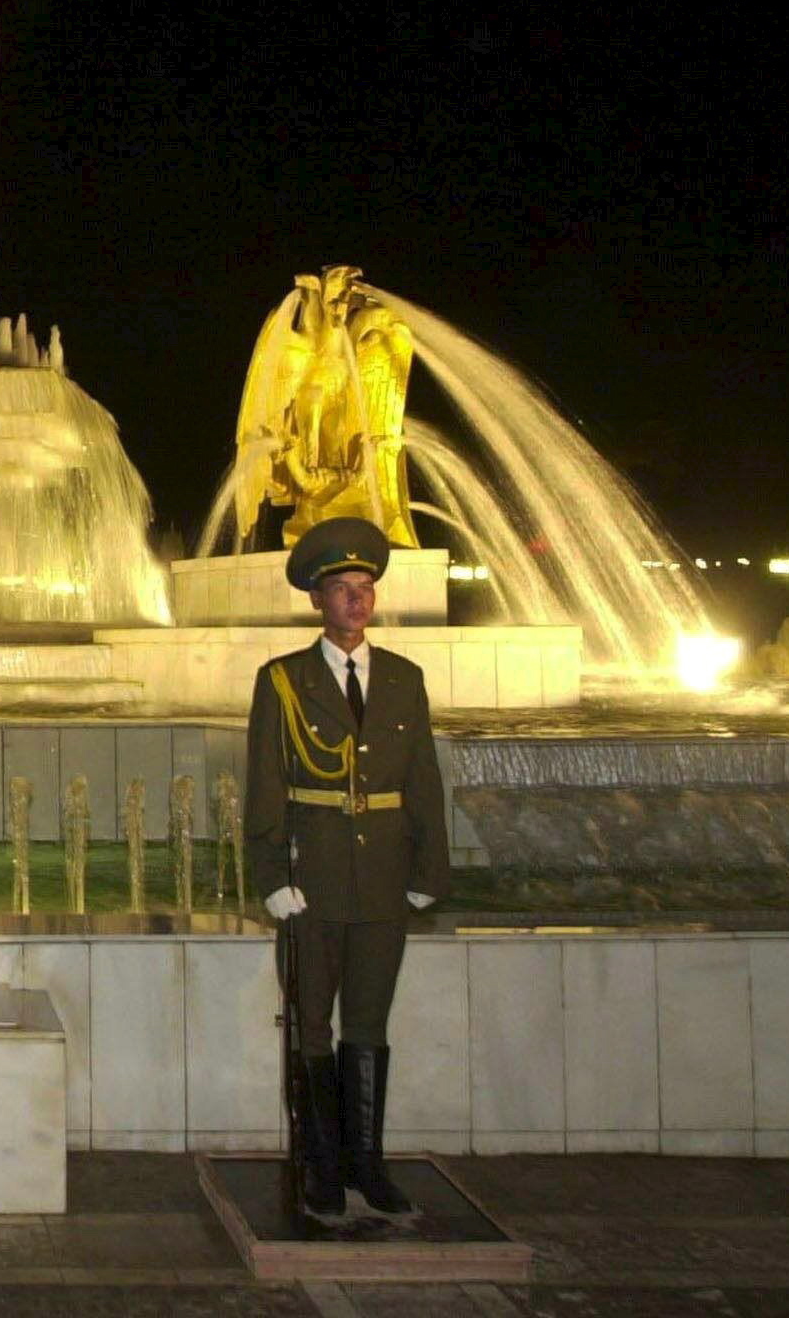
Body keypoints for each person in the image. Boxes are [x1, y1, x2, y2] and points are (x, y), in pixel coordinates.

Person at [244, 517, 449, 1217]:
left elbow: (423, 779)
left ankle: (368, 1164)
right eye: (342, 589)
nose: (357, 602)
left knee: (369, 1022)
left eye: (365, 588)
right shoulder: (284, 681)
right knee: (311, 1025)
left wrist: (429, 868)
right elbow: (265, 786)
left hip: (383, 880)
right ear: (316, 601)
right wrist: (271, 878)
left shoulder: (403, 679)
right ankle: (321, 1167)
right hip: (313, 883)